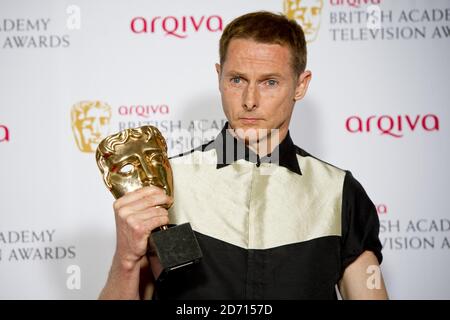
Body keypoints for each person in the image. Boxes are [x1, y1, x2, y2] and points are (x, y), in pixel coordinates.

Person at [98, 11, 388, 300]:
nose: (250, 101)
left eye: (270, 82)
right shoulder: (166, 184)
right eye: (237, 80)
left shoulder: (338, 192)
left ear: (300, 85)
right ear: (219, 77)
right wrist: (126, 260)